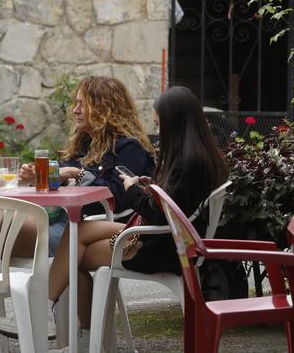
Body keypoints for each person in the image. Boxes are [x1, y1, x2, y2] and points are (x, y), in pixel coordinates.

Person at [0, 76, 156, 349]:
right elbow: (60, 192)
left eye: (82, 104)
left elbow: (117, 194)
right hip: (66, 225)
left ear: (104, 107)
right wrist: (43, 177)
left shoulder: (127, 147)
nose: (75, 110)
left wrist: (72, 175)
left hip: (94, 227)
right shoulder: (83, 145)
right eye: (75, 103)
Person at [45, 85, 229, 319]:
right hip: (167, 237)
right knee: (77, 232)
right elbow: (173, 203)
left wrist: (133, 191)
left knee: (75, 256)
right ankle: (79, 331)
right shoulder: (199, 157)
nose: (159, 131)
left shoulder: (187, 162)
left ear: (175, 124)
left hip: (160, 244)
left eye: (160, 124)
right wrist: (147, 185)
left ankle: (59, 320)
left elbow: (160, 214)